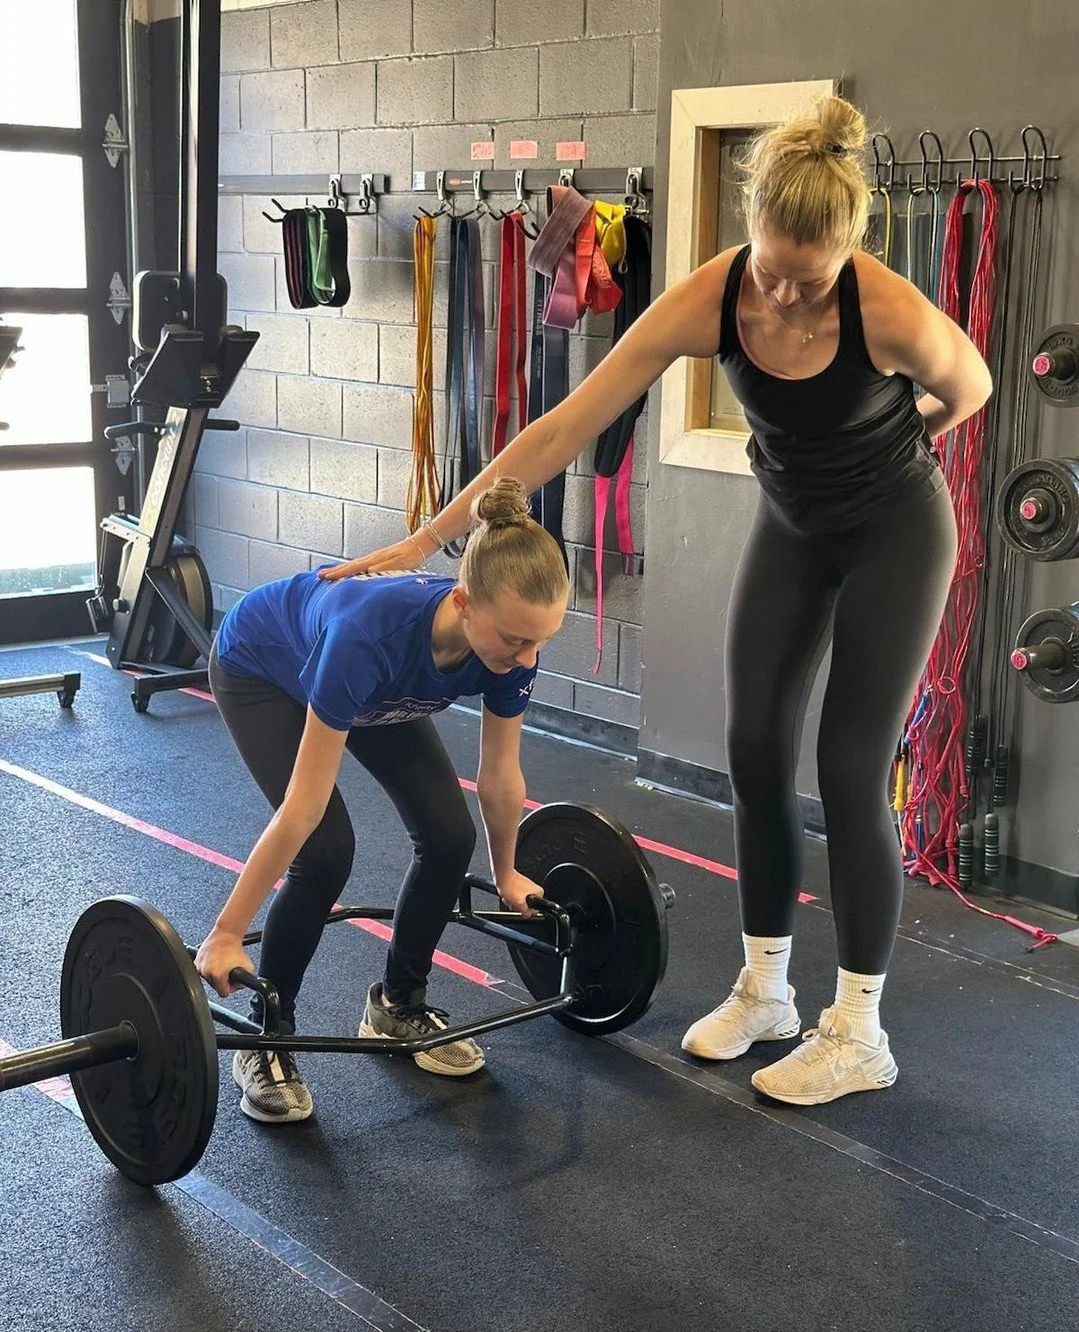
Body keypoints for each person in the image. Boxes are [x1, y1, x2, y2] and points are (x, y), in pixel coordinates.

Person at [321, 95, 993, 1107]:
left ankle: (857, 1030)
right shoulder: (709, 298)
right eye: (771, 269)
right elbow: (563, 426)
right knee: (752, 749)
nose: (785, 295)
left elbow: (969, 387)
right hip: (793, 524)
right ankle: (764, 990)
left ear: (847, 253)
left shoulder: (886, 309)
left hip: (895, 528)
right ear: (748, 229)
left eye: (809, 281)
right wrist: (427, 538)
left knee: (848, 769)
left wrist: (896, 447)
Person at [196, 478, 569, 1123]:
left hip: (377, 688)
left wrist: (507, 872)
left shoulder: (509, 646)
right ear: (463, 603)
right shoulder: (367, 638)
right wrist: (227, 934)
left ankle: (398, 1005)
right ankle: (267, 1034)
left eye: (540, 641)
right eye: (515, 640)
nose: (526, 656)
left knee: (450, 835)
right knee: (325, 850)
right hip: (263, 670)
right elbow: (303, 806)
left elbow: (501, 775)